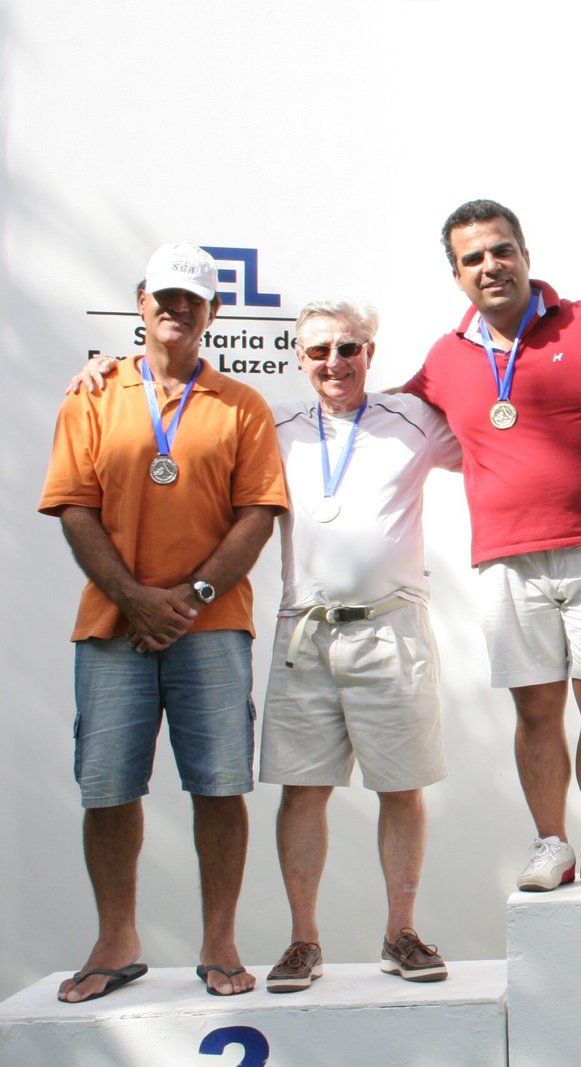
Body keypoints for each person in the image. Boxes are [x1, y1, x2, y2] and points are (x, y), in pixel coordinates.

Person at [71, 301, 464, 989]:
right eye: (319, 351)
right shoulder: (266, 419)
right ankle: (302, 941)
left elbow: (497, 436)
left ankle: (401, 932)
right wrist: (104, 370)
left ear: (370, 351)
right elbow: (180, 433)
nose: (335, 363)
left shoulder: (415, 419)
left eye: (349, 348)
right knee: (303, 790)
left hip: (392, 627)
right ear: (298, 358)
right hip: (304, 631)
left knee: (401, 788)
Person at [402, 199, 581, 891]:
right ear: (457, 276)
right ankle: (552, 844)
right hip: (506, 558)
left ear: (525, 255)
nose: (490, 266)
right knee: (535, 709)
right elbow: (386, 418)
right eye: (473, 258)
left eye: (502, 250)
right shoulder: (444, 357)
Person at [40, 243, 287, 1000]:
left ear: (213, 311)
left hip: (211, 626)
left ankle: (220, 942)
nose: (178, 308)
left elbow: (257, 514)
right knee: (107, 788)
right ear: (141, 299)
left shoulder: (242, 404)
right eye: (166, 295)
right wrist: (136, 598)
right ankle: (116, 940)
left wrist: (190, 597)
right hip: (113, 626)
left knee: (219, 786)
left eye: (194, 298)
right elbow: (74, 508)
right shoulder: (93, 394)